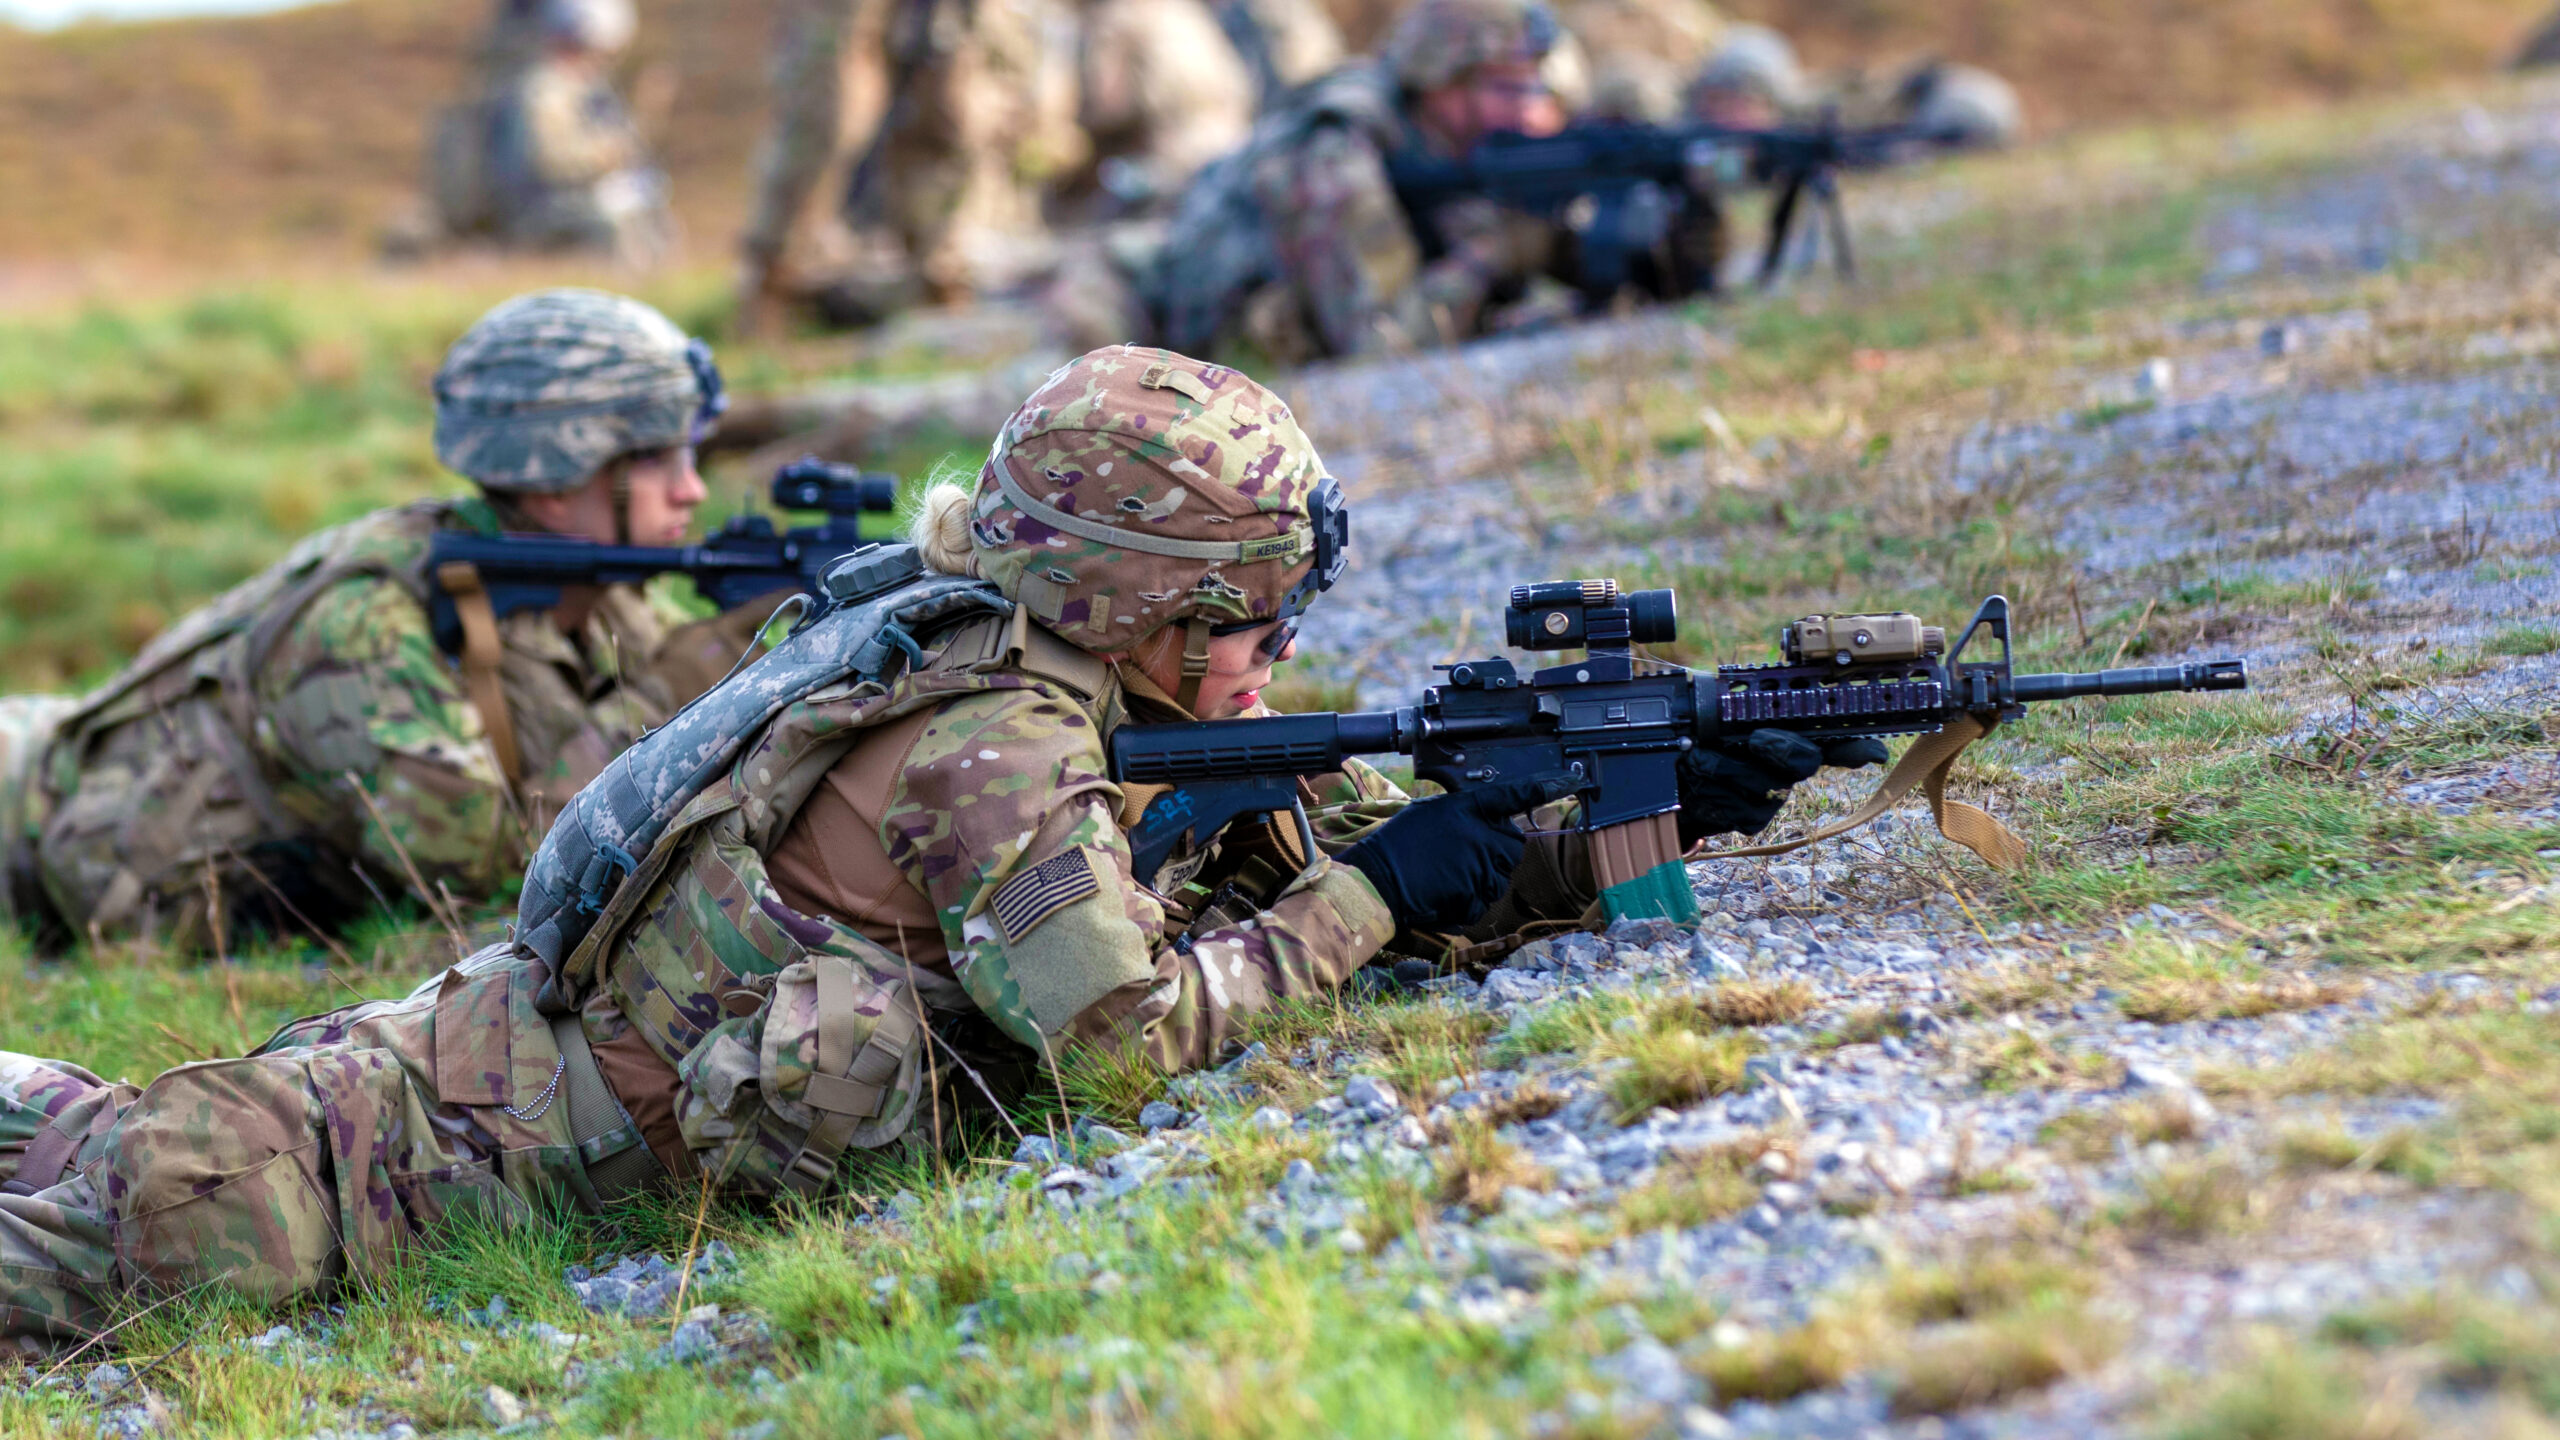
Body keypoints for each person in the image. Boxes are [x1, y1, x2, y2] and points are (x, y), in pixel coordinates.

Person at [0, 345, 1867, 1341]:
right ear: (1151, 600)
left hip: (451, 1078)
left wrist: (1643, 810)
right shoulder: (996, 743)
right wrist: (1378, 901)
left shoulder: (1069, 672)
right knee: (147, 1217)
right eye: (1252, 618)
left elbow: (1372, 843)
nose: (1275, 660)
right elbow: (1123, 1036)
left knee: (88, 1127)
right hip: (360, 1173)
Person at [0, 289, 765, 958]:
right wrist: (688, 677)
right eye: (661, 459)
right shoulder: (363, 621)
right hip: (25, 830)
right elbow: (473, 865)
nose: (693, 490)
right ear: (559, 476)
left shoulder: (602, 595)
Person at [1145, 0, 1595, 364]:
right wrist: (1494, 253)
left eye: (1536, 89)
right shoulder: (1336, 152)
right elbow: (1379, 344)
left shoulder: (1457, 148)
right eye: (1508, 90)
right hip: (1145, 309)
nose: (1530, 112)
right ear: (1442, 86)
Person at [479, 0, 675, 264]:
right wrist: (607, 156)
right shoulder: (543, 90)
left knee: (654, 219)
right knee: (610, 225)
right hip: (541, 210)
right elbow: (551, 160)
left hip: (580, 199)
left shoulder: (590, 89)